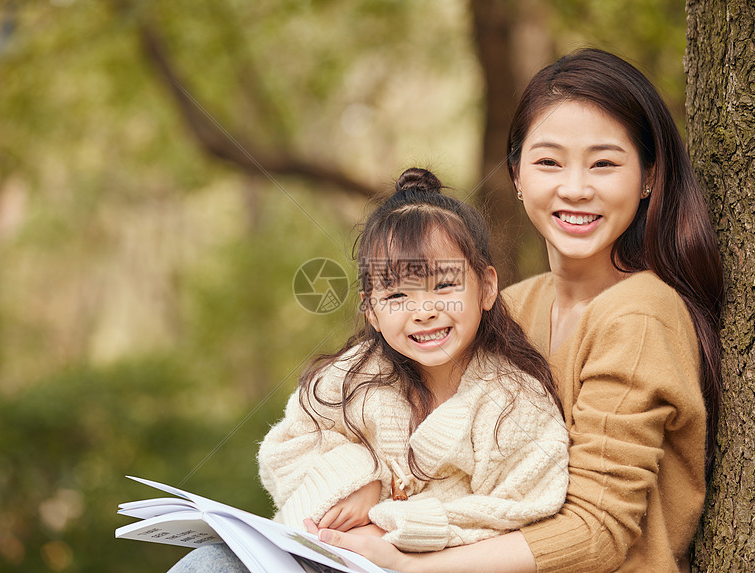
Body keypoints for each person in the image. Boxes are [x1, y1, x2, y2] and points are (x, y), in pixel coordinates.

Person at [169, 47, 723, 572]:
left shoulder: (640, 313)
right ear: (517, 175)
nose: (575, 188)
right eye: (549, 162)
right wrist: (360, 481)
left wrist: (408, 563)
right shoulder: (506, 306)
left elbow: (598, 533)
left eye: (604, 163)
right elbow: (379, 415)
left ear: (649, 177)